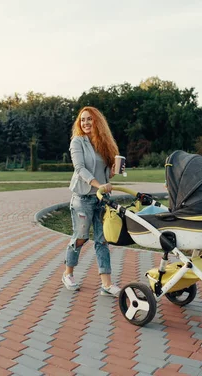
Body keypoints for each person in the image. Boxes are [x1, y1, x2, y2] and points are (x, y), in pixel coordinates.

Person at [62, 106, 122, 297]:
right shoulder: (77, 142)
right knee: (80, 237)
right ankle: (68, 273)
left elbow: (105, 172)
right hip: (83, 197)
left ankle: (106, 284)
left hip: (102, 198)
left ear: (97, 121)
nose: (85, 123)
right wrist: (98, 184)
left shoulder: (104, 142)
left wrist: (111, 173)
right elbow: (80, 168)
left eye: (89, 119)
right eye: (82, 120)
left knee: (102, 240)